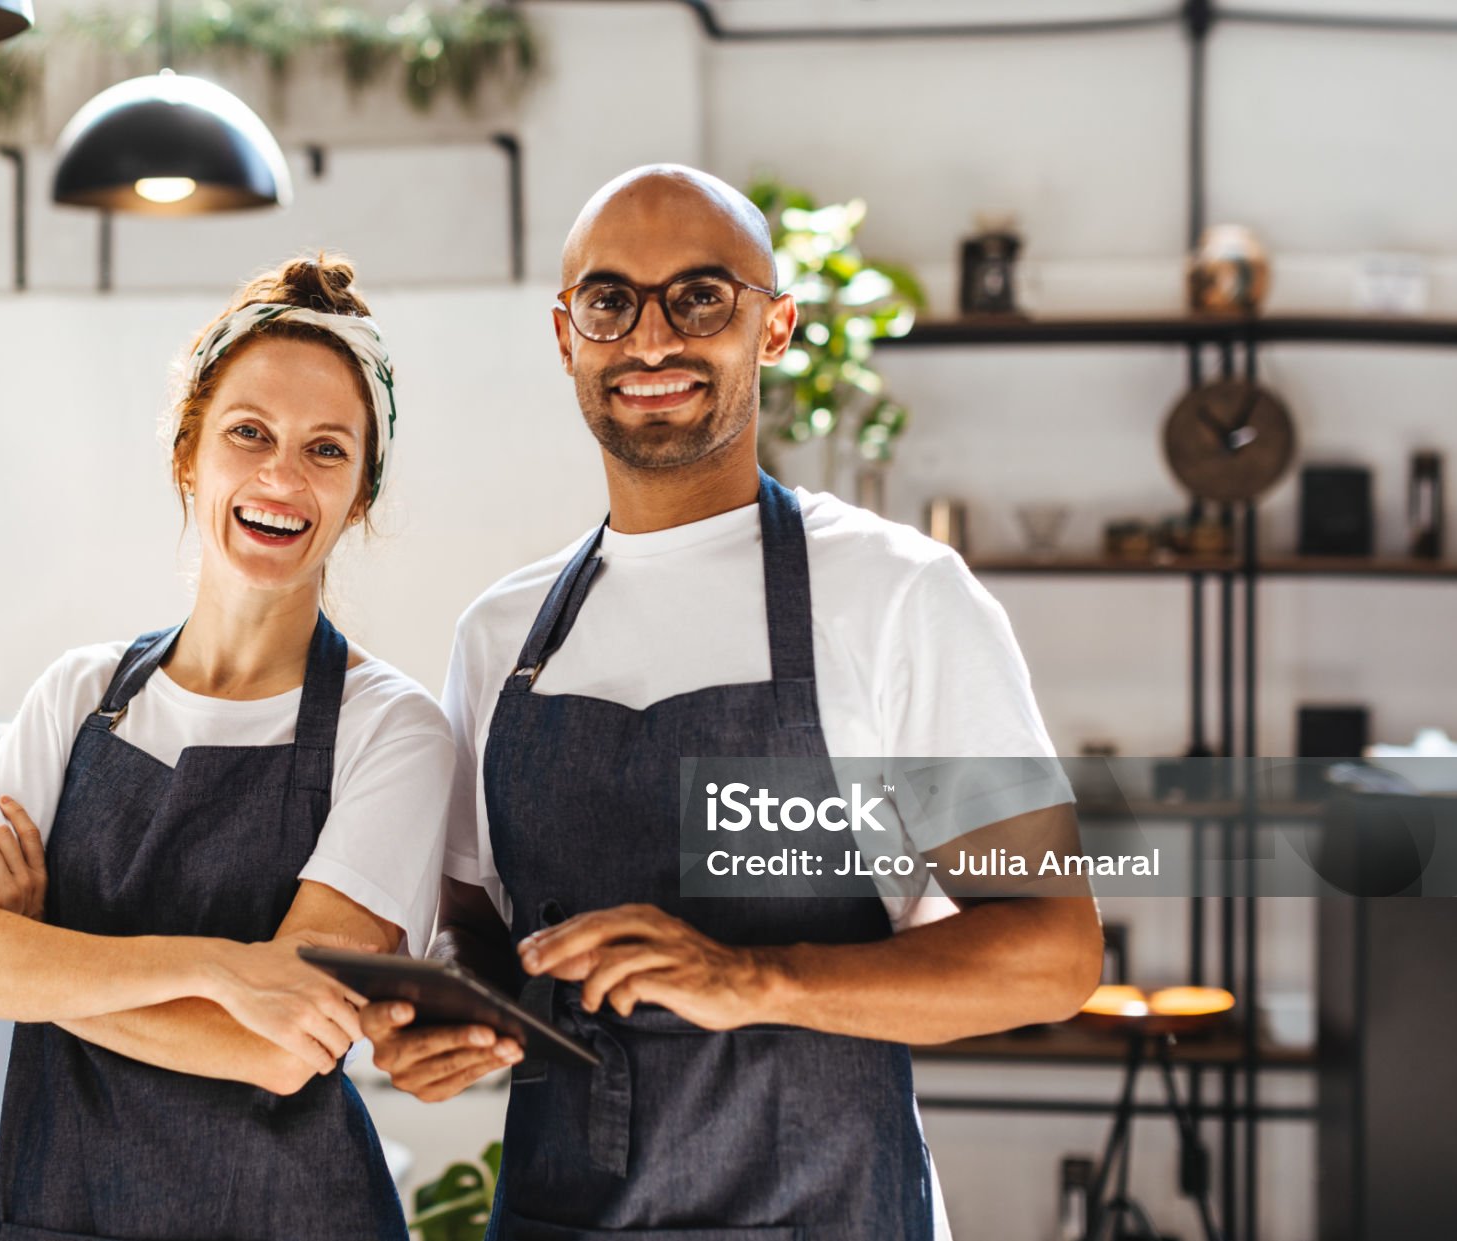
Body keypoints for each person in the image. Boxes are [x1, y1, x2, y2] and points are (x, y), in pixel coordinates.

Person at [361, 166, 1104, 1238]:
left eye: (700, 296)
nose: (651, 339)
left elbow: (1050, 953)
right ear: (566, 336)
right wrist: (445, 1011)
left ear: (774, 327)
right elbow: (473, 923)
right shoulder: (503, 634)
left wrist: (753, 975)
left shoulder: (897, 595)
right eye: (611, 302)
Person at [0, 255, 454, 1241]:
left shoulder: (392, 729)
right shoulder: (78, 696)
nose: (281, 477)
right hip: (61, 1210)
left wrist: (41, 968)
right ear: (187, 453)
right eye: (247, 433)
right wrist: (220, 967)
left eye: (326, 449)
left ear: (360, 494)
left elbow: (281, 1046)